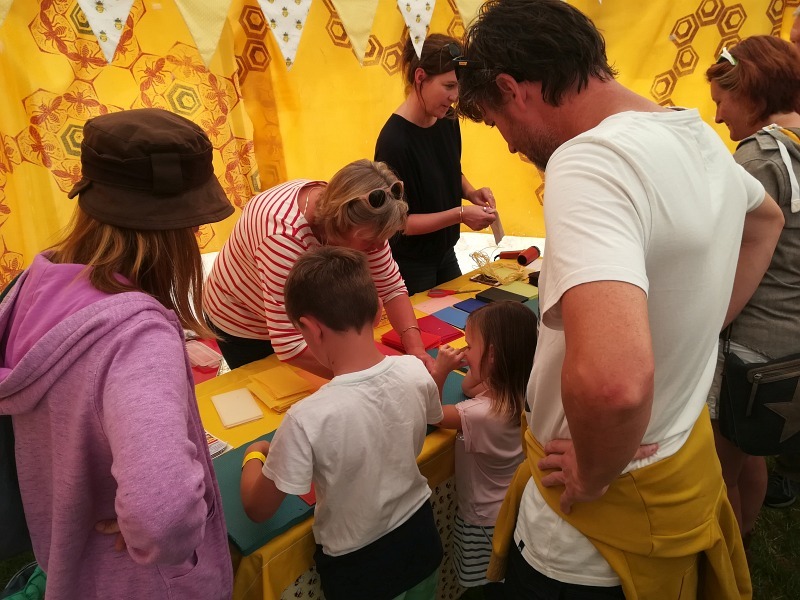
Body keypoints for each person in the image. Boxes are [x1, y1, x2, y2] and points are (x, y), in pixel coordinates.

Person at [455, 1, 785, 598]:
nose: (508, 145)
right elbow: (766, 221)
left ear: (511, 88)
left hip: (589, 538)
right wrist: (698, 322)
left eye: (498, 122)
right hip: (676, 466)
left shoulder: (589, 160)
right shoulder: (692, 133)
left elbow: (614, 385)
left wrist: (594, 471)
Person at [0, 108, 235, 599]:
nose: (196, 235)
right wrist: (166, 530)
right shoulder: (137, 337)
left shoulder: (35, 286)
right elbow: (163, 515)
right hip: (144, 583)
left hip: (71, 562)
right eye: (193, 223)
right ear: (172, 228)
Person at [239, 246, 444, 600]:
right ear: (378, 311)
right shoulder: (416, 370)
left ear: (309, 328)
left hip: (359, 570)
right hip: (422, 540)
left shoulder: (305, 418)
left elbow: (258, 509)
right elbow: (430, 419)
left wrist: (254, 455)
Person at [203, 159, 433, 376]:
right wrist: (370, 378)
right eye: (370, 241)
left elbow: (390, 287)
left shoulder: (362, 217)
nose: (379, 248)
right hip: (243, 322)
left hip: (298, 320)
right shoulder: (282, 237)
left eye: (384, 238)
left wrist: (416, 350)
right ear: (338, 225)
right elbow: (289, 344)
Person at [706, 36, 800, 522]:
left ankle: (726, 556)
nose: (718, 115)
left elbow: (725, 252)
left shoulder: (759, 158)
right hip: (788, 332)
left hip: (751, 340)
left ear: (749, 92)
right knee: (751, 450)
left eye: (722, 101)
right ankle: (742, 544)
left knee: (718, 470)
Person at [374, 34, 497, 295]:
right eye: (448, 86)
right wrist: (460, 215)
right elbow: (400, 222)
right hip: (411, 265)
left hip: (445, 252)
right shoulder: (394, 142)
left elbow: (449, 169)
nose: (455, 96)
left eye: (458, 86)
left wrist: (471, 193)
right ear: (420, 77)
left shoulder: (447, 118)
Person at [431, 301, 537, 598]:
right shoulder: (522, 389)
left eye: (469, 346)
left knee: (485, 585)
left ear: (491, 355)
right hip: (510, 509)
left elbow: (431, 413)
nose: (464, 352)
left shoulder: (480, 414)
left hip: (481, 521)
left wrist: (440, 371)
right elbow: (468, 387)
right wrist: (479, 363)